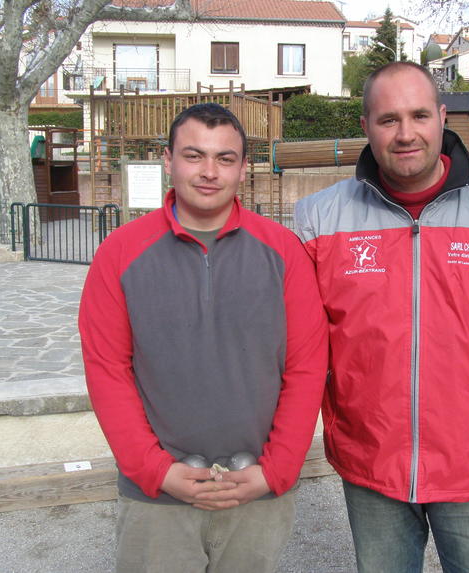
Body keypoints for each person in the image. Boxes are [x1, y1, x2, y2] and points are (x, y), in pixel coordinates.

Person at [294, 62, 469, 573]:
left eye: (418, 115)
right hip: (372, 457)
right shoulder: (319, 220)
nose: (406, 133)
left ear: (441, 117)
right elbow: (304, 331)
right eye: (388, 119)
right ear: (366, 126)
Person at [79, 103, 328, 573]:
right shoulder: (120, 253)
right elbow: (107, 370)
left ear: (243, 168)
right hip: (158, 498)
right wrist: (155, 471)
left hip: (255, 489)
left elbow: (307, 366)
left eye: (225, 158)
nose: (209, 172)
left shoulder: (283, 252)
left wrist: (275, 470)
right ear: (168, 159)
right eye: (194, 156)